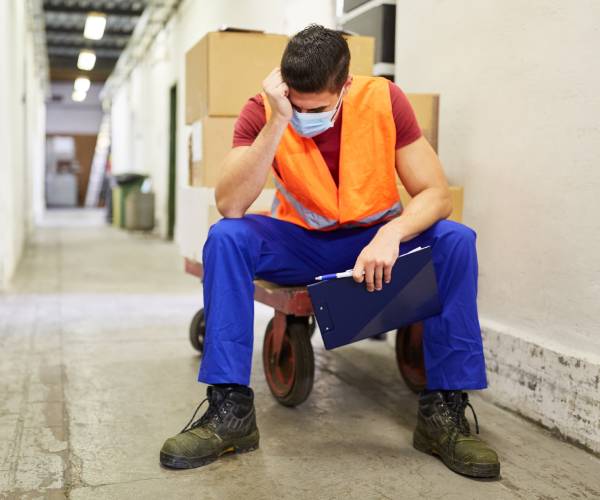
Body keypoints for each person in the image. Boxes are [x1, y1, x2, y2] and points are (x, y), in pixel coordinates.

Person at [160, 24, 500, 478]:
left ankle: (444, 417)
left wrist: (392, 234)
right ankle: (231, 412)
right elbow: (230, 204)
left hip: (372, 239)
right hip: (301, 242)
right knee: (226, 237)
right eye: (295, 105)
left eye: (315, 108)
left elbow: (436, 194)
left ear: (345, 85)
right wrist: (278, 119)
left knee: (457, 240)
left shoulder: (384, 100)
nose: (305, 116)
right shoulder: (262, 110)